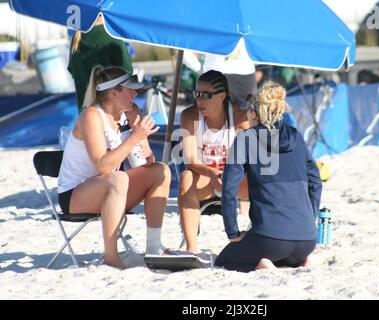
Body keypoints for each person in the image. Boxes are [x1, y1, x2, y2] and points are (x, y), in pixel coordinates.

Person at [57, 65, 171, 269]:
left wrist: (145, 150)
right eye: (130, 90)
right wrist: (134, 137)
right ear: (113, 93)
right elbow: (103, 166)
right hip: (75, 195)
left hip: (110, 189)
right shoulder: (92, 116)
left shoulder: (131, 112)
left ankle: (154, 246)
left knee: (161, 171)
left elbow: (144, 163)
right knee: (118, 177)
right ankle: (111, 256)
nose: (135, 94)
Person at [214, 81, 322, 272]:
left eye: (249, 111)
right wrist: (309, 219)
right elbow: (315, 182)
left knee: (223, 260)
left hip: (269, 240)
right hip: (307, 241)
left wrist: (233, 231)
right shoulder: (296, 136)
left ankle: (261, 264)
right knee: (284, 251)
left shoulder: (245, 138)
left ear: (254, 114)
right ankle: (304, 261)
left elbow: (229, 189)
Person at [178, 70, 249, 253]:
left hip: (236, 182)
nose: (199, 101)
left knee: (262, 177)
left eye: (205, 95)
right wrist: (212, 173)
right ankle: (192, 249)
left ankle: (259, 239)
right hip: (207, 180)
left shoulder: (240, 117)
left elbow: (251, 160)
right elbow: (190, 160)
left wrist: (230, 177)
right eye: (196, 94)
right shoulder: (190, 116)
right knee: (186, 177)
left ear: (222, 96)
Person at [68, 15, 133, 113]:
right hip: (110, 115)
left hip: (85, 114)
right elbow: (128, 76)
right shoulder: (113, 39)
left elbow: (72, 70)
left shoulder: (76, 39)